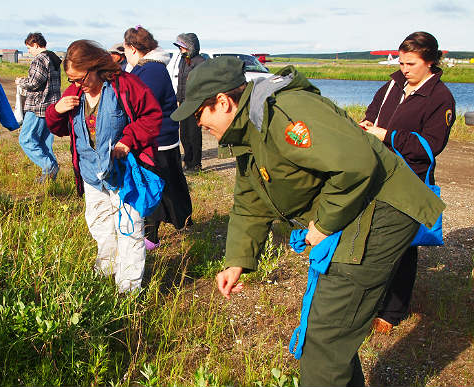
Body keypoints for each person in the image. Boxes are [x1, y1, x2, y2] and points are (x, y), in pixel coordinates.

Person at [170, 57, 444, 386]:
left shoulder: (284, 115)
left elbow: (357, 165)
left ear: (223, 102)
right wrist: (237, 261)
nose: (198, 125)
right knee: (329, 335)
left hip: (380, 211)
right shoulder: (249, 131)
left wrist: (323, 224)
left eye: (199, 115)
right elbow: (250, 199)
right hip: (356, 211)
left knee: (324, 339)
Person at [45, 40, 162, 292]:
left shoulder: (126, 85)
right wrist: (55, 110)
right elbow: (58, 128)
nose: (76, 84)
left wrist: (128, 141)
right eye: (71, 80)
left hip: (123, 173)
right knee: (99, 224)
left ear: (95, 66)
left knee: (129, 227)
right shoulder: (74, 94)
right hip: (90, 173)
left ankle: (128, 288)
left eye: (80, 78)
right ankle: (106, 270)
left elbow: (152, 116)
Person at [359, 31, 455, 333]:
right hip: (377, 173)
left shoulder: (441, 98)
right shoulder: (393, 84)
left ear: (430, 62)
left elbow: (431, 145)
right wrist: (367, 125)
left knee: (403, 245)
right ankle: (369, 300)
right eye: (401, 62)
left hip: (410, 180)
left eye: (411, 64)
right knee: (371, 238)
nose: (404, 69)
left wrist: (388, 136)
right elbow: (373, 113)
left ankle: (392, 311)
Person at [123, 26, 192, 250]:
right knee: (168, 186)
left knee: (153, 188)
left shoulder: (150, 71)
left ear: (133, 48)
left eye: (125, 50)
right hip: (159, 138)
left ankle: (151, 237)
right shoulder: (148, 68)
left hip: (156, 140)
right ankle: (181, 220)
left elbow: (141, 108)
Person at [16, 32, 61, 183]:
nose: (29, 51)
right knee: (44, 143)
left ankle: (49, 167)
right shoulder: (54, 58)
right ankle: (48, 178)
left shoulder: (40, 59)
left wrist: (20, 81)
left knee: (26, 139)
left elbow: (34, 83)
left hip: (38, 106)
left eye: (29, 48)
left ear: (35, 45)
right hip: (52, 107)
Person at [174, 33, 205, 174]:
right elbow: (181, 82)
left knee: (194, 134)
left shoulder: (200, 61)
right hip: (183, 102)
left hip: (194, 103)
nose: (180, 49)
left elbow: (202, 83)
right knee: (184, 134)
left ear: (190, 47)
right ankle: (187, 161)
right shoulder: (183, 60)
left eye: (182, 46)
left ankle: (196, 164)